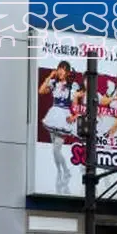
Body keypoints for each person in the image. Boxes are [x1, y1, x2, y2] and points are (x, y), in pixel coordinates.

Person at [39, 61, 80, 195]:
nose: (61, 71)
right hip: (53, 115)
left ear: (67, 72)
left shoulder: (72, 86)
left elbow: (76, 106)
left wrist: (74, 116)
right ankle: (61, 171)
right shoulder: (54, 83)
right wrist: (50, 76)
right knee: (54, 149)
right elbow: (41, 91)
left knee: (56, 149)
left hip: (64, 117)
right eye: (59, 68)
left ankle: (65, 171)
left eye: (63, 69)